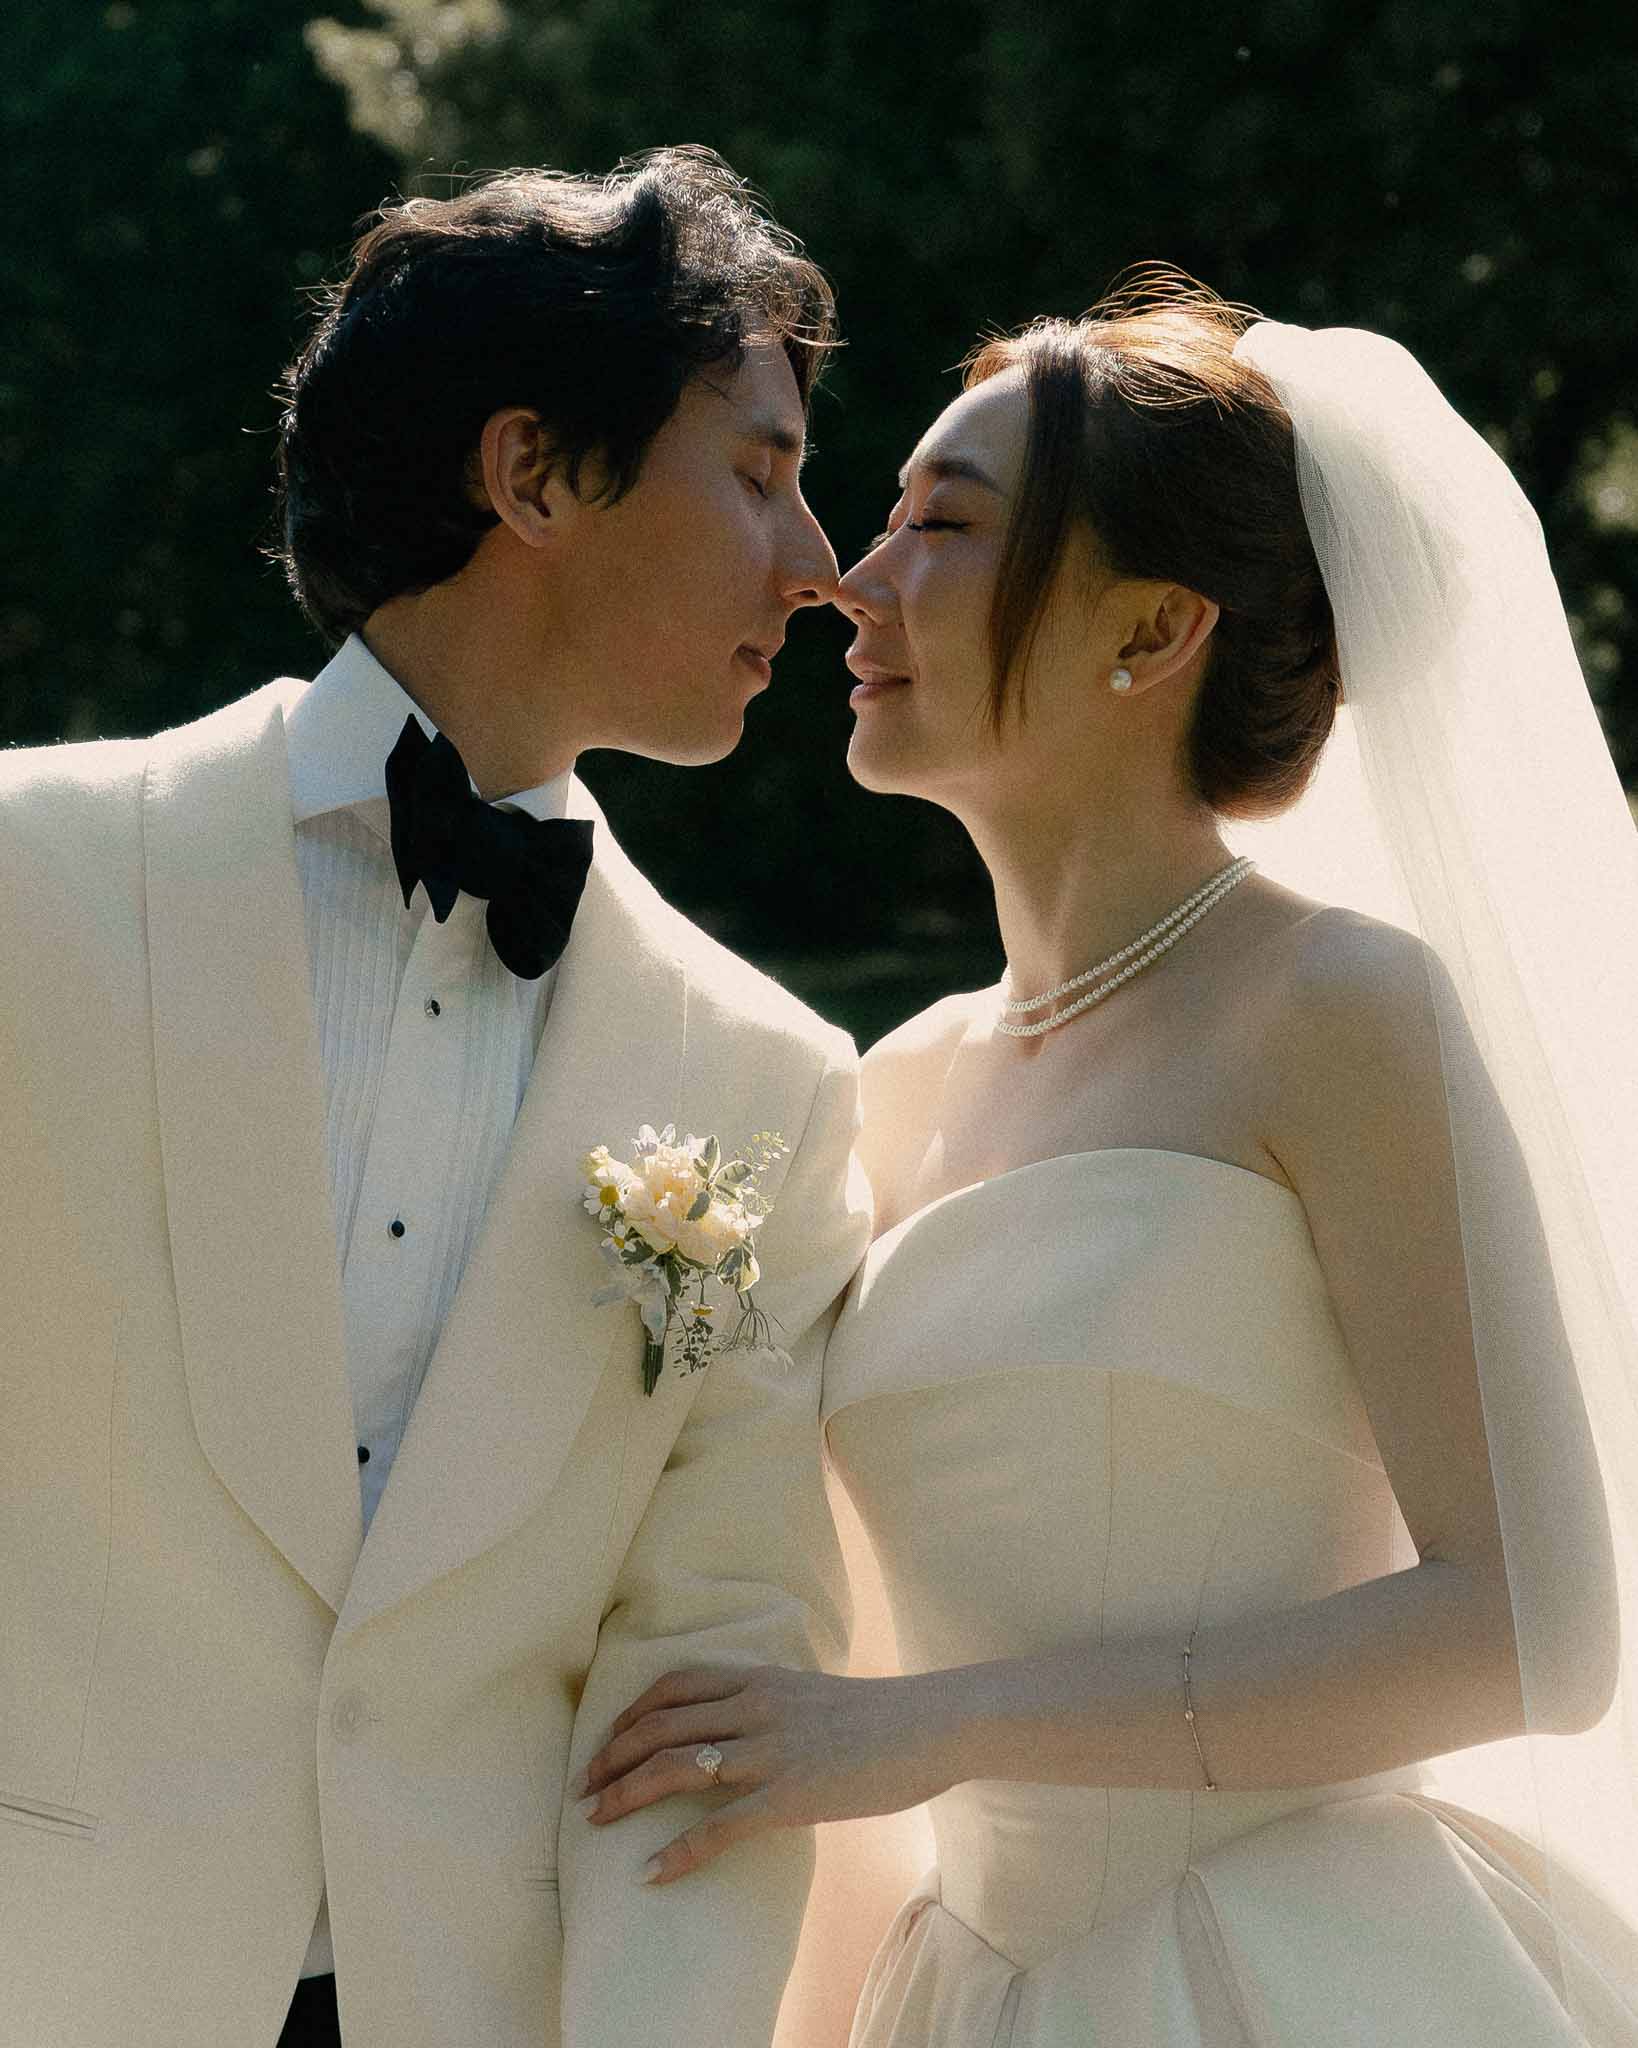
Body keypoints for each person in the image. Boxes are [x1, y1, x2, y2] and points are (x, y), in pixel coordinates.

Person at [576, 276, 1638, 2044]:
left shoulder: (1336, 1011)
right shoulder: (887, 1085)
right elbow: (838, 1690)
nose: (855, 574)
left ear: (1149, 632)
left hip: (1302, 1971)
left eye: (946, 525)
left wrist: (946, 1727)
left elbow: (1533, 1627)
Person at [0, 147, 871, 2048]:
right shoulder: (26, 881)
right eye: (761, 468)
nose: (818, 567)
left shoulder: (769, 1084)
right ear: (535, 474)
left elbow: (709, 1680)